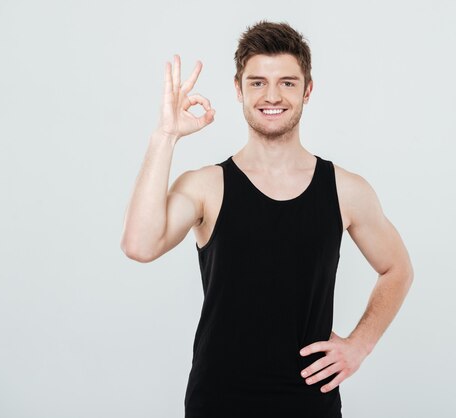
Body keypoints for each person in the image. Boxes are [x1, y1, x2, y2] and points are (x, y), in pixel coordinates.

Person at [121, 20, 414, 418]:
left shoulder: (346, 190)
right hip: (218, 403)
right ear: (238, 89)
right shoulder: (207, 186)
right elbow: (139, 245)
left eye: (287, 83)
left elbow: (397, 268)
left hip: (310, 404)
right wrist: (164, 136)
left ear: (307, 90)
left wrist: (360, 344)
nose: (272, 95)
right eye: (257, 82)